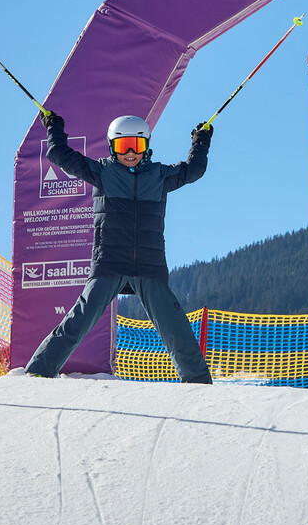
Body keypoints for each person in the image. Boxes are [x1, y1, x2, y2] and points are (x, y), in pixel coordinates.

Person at [25, 113, 213, 383]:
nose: (130, 153)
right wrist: (54, 128)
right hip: (109, 264)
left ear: (146, 146)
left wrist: (201, 142)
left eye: (136, 146)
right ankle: (38, 371)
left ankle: (198, 381)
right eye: (123, 147)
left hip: (148, 267)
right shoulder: (102, 172)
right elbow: (60, 156)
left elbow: (193, 170)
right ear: (113, 147)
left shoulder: (159, 176)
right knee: (78, 321)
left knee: (175, 327)